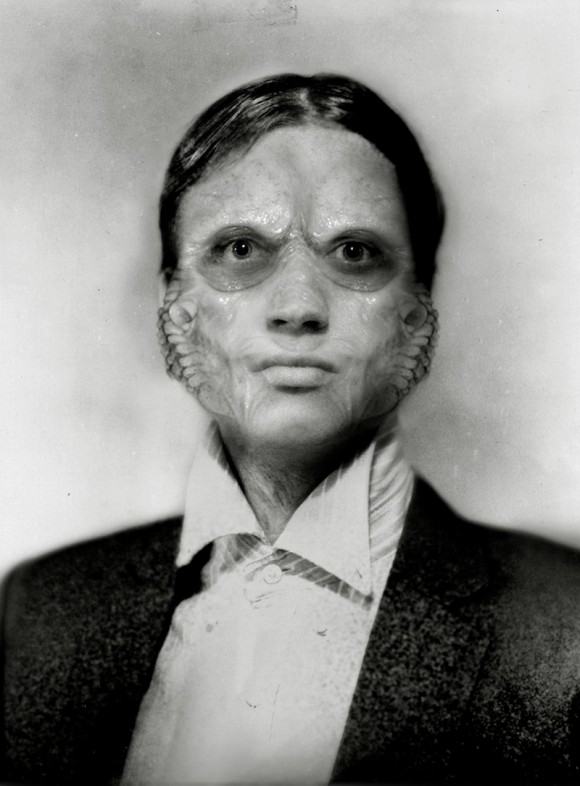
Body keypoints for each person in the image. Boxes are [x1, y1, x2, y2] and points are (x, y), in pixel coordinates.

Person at [2, 73, 580, 785]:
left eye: (355, 252)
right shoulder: (46, 610)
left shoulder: (563, 627)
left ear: (417, 311)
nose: (299, 307)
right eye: (241, 249)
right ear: (173, 303)